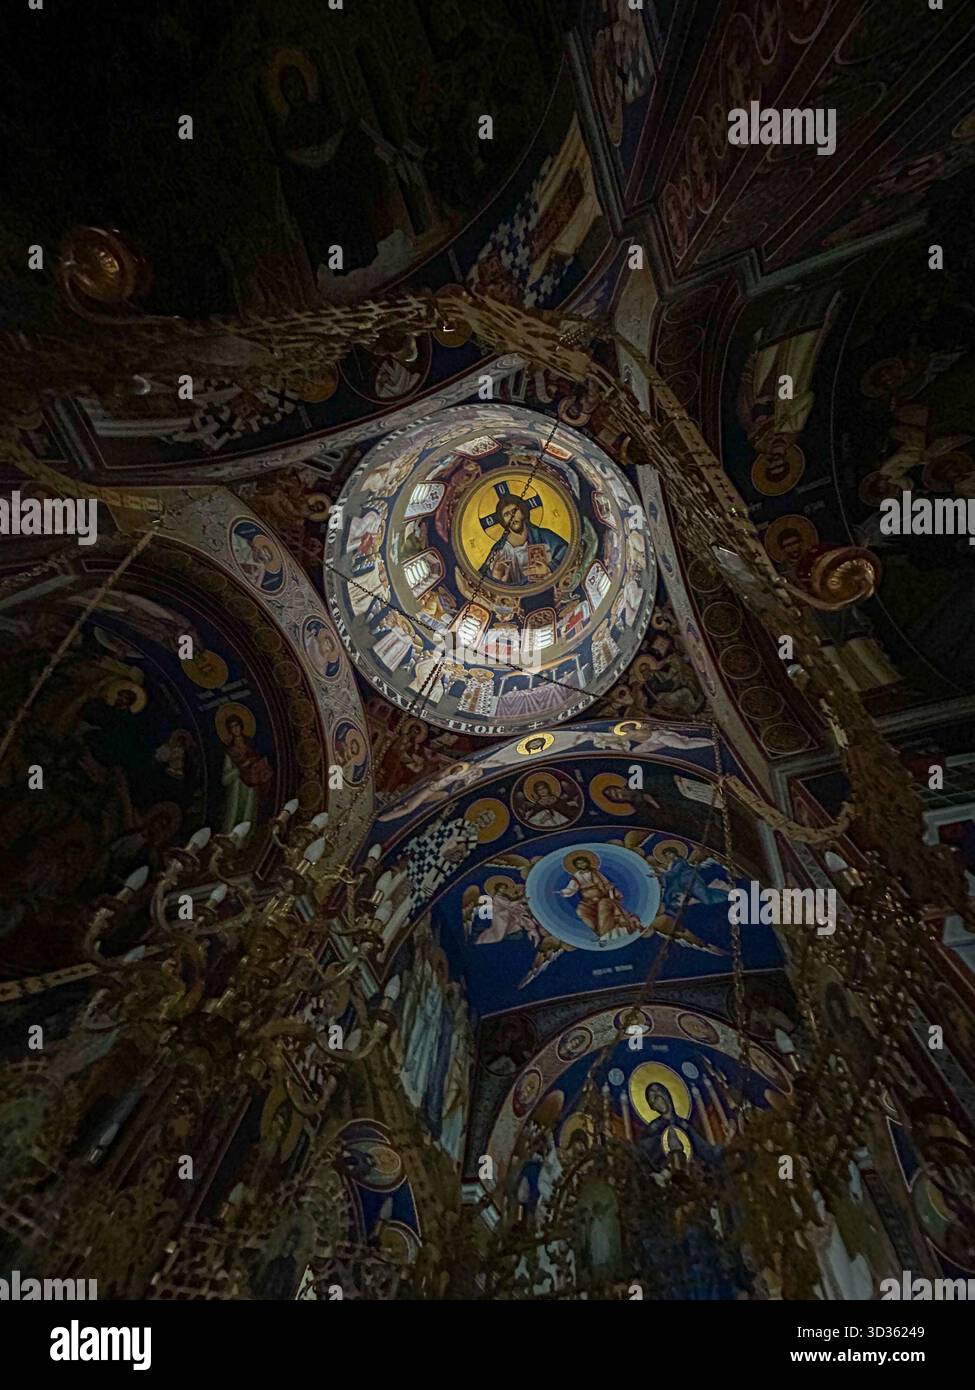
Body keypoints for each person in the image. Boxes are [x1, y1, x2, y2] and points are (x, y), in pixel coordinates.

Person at [480, 496, 568, 585]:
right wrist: (496, 575)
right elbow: (482, 578)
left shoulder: (543, 536)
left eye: (514, 511)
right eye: (506, 514)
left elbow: (567, 551)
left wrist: (549, 568)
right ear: (503, 521)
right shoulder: (500, 550)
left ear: (523, 512)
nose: (512, 517)